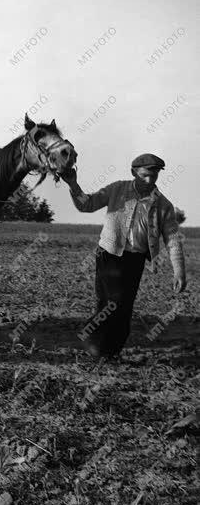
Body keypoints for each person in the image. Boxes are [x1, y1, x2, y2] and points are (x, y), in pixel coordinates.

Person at [61, 153, 186, 358]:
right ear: (133, 172)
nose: (149, 180)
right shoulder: (117, 189)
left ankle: (111, 351)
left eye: (154, 176)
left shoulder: (163, 205)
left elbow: (172, 238)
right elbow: (87, 204)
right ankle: (94, 341)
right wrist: (73, 185)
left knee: (123, 307)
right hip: (108, 255)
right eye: (145, 175)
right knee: (112, 302)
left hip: (135, 260)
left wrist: (179, 271)